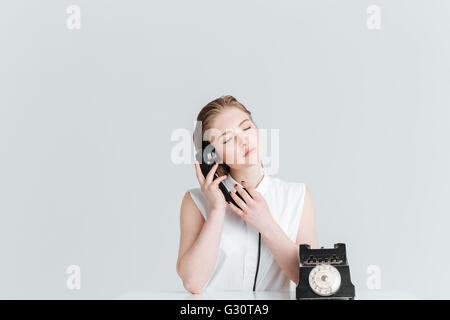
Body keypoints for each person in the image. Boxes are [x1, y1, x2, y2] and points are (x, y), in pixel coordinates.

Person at [176, 95, 318, 294]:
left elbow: (313, 280)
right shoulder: (195, 202)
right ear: (211, 156)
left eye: (246, 128)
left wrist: (266, 223)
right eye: (227, 139)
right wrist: (217, 210)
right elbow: (193, 282)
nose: (243, 140)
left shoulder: (297, 196)